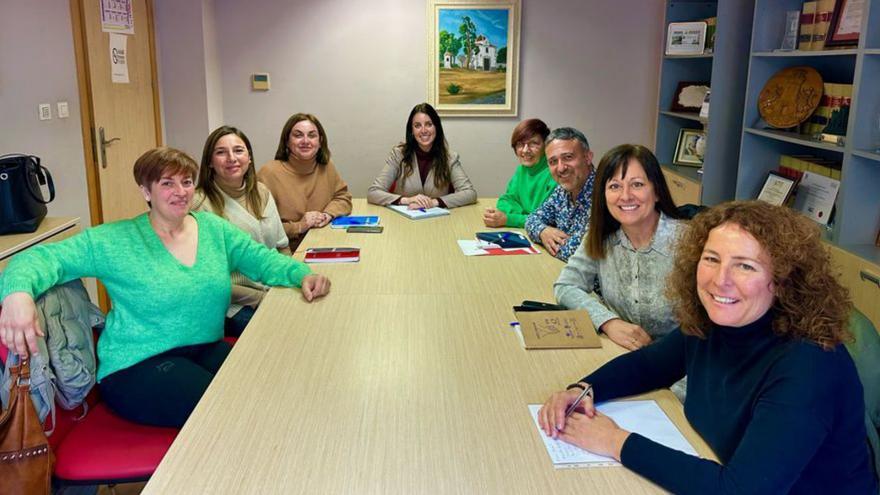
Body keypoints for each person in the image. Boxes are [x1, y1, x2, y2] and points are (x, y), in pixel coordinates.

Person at [538, 201, 878, 494]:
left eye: (745, 265)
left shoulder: (809, 367)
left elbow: (741, 490)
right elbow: (649, 366)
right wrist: (583, 389)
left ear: (784, 279)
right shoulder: (715, 324)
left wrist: (614, 441)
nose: (720, 279)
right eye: (712, 259)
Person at [0, 147, 331, 428]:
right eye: (167, 183)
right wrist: (17, 294)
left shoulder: (214, 229)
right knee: (231, 412)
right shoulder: (114, 240)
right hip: (136, 366)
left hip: (202, 348)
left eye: (186, 182)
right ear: (146, 191)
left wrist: (301, 274)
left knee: (272, 388)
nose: (180, 191)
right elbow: (39, 258)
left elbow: (262, 261)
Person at [555, 144, 683, 351]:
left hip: (681, 367)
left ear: (657, 191)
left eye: (637, 185)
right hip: (621, 353)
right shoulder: (601, 236)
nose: (625, 196)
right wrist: (608, 322)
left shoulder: (689, 243)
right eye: (614, 186)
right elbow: (566, 286)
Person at [192, 125, 289, 337]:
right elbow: (207, 279)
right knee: (283, 330)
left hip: (271, 287)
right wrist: (261, 298)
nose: (231, 158)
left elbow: (282, 247)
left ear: (249, 157)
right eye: (221, 152)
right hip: (232, 303)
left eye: (238, 150)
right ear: (209, 161)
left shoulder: (261, 192)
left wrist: (292, 278)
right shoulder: (199, 205)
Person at [258, 113, 352, 249]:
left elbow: (343, 197)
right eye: (298, 135)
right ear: (287, 141)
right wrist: (299, 226)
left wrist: (327, 214)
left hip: (324, 242)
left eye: (312, 135)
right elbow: (261, 231)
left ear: (320, 142)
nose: (306, 141)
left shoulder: (326, 167)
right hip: (287, 253)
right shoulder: (268, 173)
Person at [367, 102, 477, 209]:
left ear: (436, 128)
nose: (424, 130)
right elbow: (373, 192)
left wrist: (433, 202)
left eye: (429, 124)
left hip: (438, 221)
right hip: (403, 220)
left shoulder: (450, 158)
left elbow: (469, 193)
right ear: (411, 131)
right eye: (417, 126)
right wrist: (407, 200)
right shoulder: (398, 155)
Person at [524, 127, 596, 262]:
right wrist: (543, 231)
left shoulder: (606, 196)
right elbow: (532, 219)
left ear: (588, 157)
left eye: (568, 157)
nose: (561, 168)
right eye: (553, 162)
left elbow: (576, 253)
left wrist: (547, 241)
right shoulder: (562, 191)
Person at [483, 118, 556, 228]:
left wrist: (509, 218)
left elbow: (547, 219)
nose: (525, 150)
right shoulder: (521, 170)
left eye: (533, 144)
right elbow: (505, 200)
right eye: (520, 144)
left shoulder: (555, 174)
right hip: (527, 230)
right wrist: (525, 217)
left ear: (546, 146)